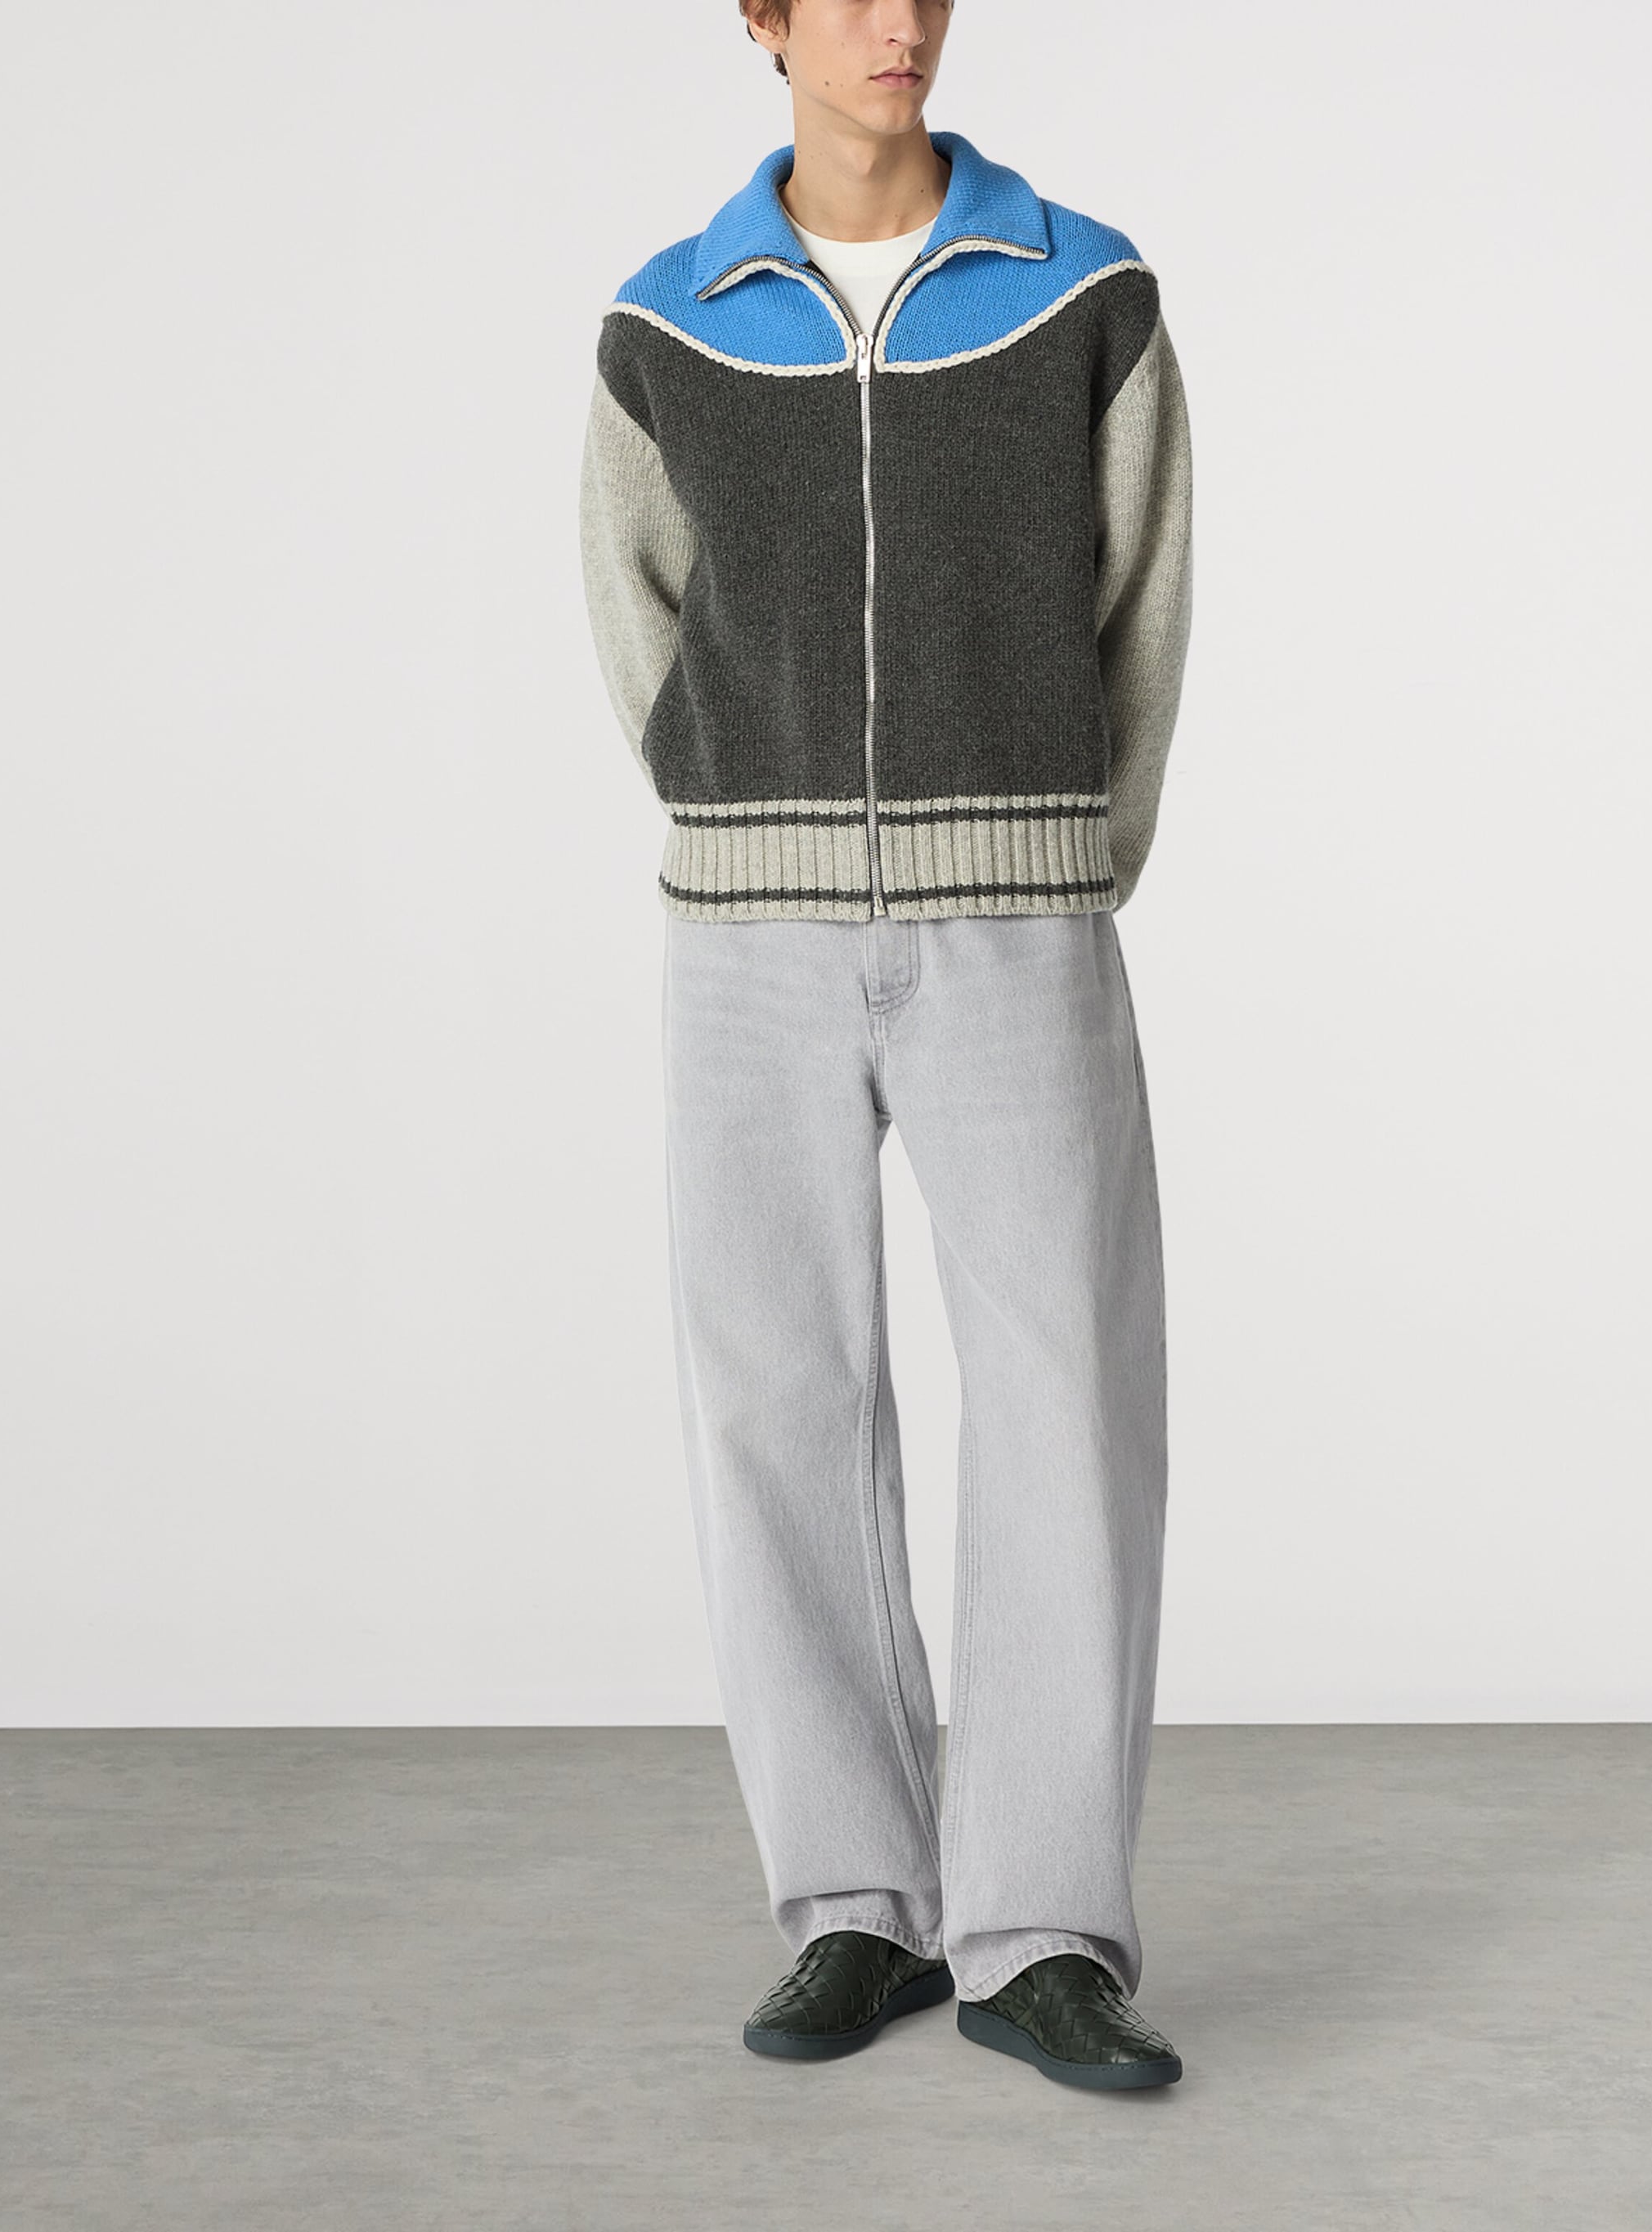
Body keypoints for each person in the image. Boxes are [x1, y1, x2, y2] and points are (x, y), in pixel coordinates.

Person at [579, 0, 1193, 2092]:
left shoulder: (1084, 293)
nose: (898, 22)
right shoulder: (667, 325)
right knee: (775, 1396)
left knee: (1065, 1393)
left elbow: (1145, 605)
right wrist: (731, 800)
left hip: (1017, 905)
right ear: (760, 19)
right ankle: (855, 1909)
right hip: (745, 935)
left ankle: (1042, 1936)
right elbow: (637, 608)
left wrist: (1064, 853)